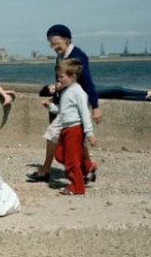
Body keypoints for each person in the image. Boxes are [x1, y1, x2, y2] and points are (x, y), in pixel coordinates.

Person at [27, 24, 98, 183]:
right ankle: (87, 167)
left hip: (72, 106)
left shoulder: (77, 56)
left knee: (55, 136)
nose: (53, 47)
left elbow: (87, 83)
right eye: (51, 44)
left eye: (56, 43)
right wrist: (57, 88)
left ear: (66, 40)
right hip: (63, 103)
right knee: (72, 139)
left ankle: (47, 171)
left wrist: (95, 107)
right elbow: (65, 80)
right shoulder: (62, 56)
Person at [41, 58, 97, 195]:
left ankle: (77, 187)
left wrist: (89, 133)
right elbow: (62, 110)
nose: (58, 79)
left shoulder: (78, 92)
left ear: (72, 77)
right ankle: (87, 167)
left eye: (61, 76)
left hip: (74, 129)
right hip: (65, 129)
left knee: (71, 159)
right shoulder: (67, 91)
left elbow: (85, 113)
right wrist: (50, 106)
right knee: (60, 155)